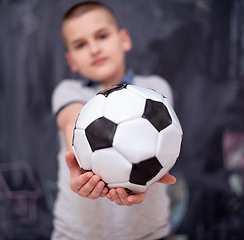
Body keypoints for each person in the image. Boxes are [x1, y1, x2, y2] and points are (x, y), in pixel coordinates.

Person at [51, 1, 177, 239]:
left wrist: (141, 183)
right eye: (80, 45)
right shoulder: (68, 92)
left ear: (124, 39)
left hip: (148, 233)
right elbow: (72, 121)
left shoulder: (155, 91)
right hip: (76, 234)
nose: (94, 49)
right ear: (72, 61)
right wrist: (81, 165)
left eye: (101, 36)